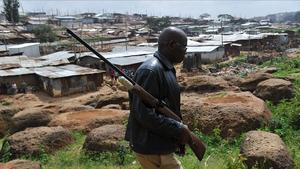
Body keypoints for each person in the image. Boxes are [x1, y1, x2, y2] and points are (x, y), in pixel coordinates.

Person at [125, 27, 191, 169]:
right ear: (172, 44)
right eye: (184, 47)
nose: (185, 52)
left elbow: (164, 108)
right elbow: (144, 114)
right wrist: (178, 129)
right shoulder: (151, 71)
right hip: (152, 146)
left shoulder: (164, 68)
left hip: (159, 144)